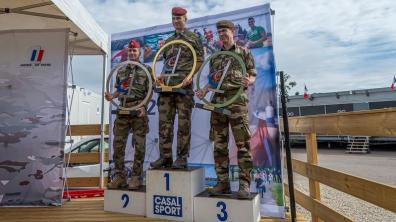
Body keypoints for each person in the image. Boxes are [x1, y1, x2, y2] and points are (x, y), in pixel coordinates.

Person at [195, 20, 256, 198]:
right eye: (219, 31)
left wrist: (249, 81)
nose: (222, 34)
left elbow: (252, 74)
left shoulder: (244, 52)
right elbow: (213, 80)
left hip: (237, 102)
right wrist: (204, 90)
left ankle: (244, 185)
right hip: (218, 103)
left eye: (225, 30)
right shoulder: (215, 56)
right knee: (219, 146)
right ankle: (223, 183)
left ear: (233, 31)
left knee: (242, 145)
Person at [150, 7, 204, 169]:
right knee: (164, 123)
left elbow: (200, 60)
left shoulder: (193, 38)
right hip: (167, 87)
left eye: (179, 18)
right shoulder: (168, 41)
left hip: (184, 88)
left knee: (183, 124)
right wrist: (160, 76)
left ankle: (181, 158)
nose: (176, 21)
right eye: (173, 18)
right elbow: (168, 63)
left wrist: (190, 76)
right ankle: (165, 157)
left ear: (185, 19)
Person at [105, 39, 152, 190]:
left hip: (138, 110)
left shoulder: (146, 69)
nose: (132, 53)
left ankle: (136, 177)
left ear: (140, 52)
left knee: (139, 145)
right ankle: (119, 176)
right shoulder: (121, 70)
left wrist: (144, 106)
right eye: (130, 51)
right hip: (123, 110)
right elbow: (120, 89)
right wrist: (112, 96)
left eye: (135, 51)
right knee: (118, 145)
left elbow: (149, 91)